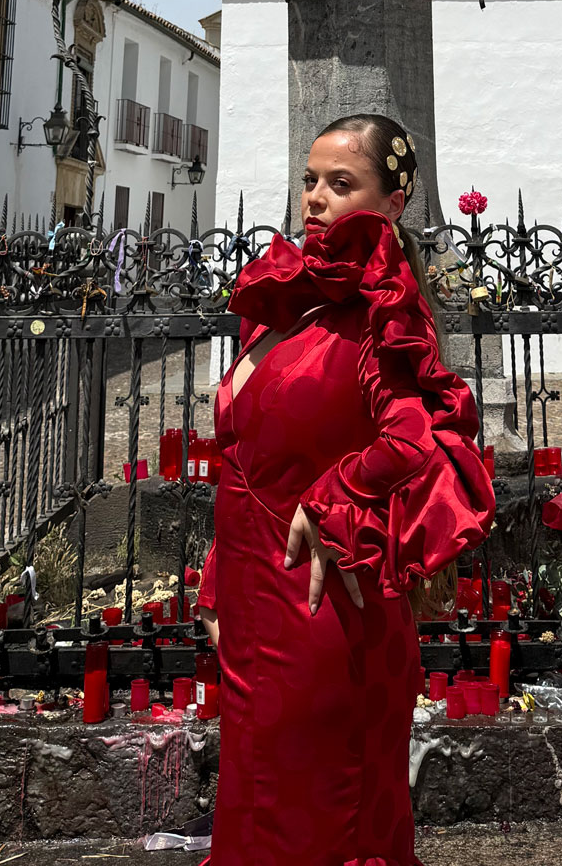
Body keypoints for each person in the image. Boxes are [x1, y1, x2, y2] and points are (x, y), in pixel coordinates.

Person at [196, 114, 495, 866]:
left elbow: (421, 438)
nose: (315, 200)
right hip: (252, 597)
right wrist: (216, 586)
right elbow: (244, 463)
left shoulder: (382, 318)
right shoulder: (285, 308)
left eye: (341, 183)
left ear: (392, 204)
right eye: (309, 181)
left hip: (325, 607)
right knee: (255, 802)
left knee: (321, 816)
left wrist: (337, 501)